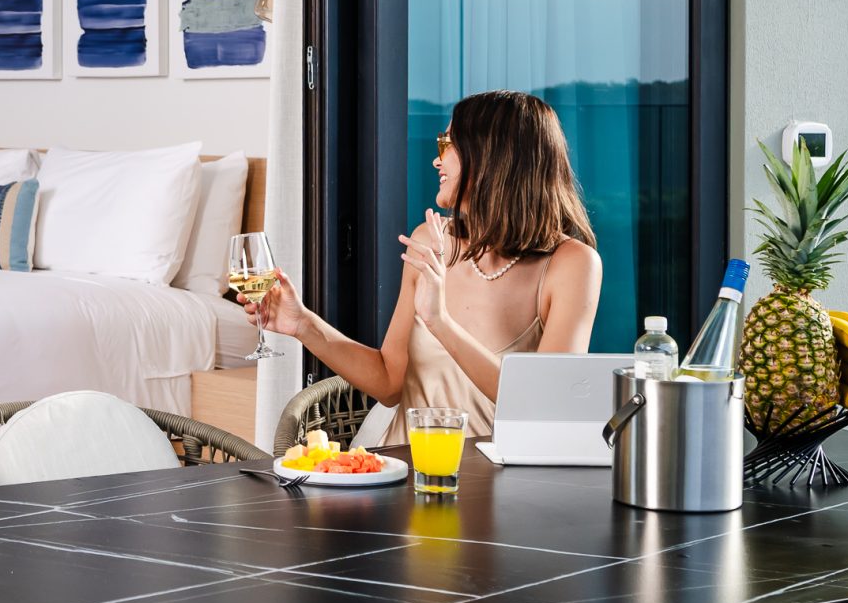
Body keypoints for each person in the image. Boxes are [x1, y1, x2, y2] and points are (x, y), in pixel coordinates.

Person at [249, 90, 601, 440]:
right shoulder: (430, 242)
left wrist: (440, 322)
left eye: (448, 144)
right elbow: (388, 381)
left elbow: (548, 409)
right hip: (403, 473)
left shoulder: (571, 265)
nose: (437, 161)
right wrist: (302, 324)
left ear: (492, 156)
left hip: (501, 481)